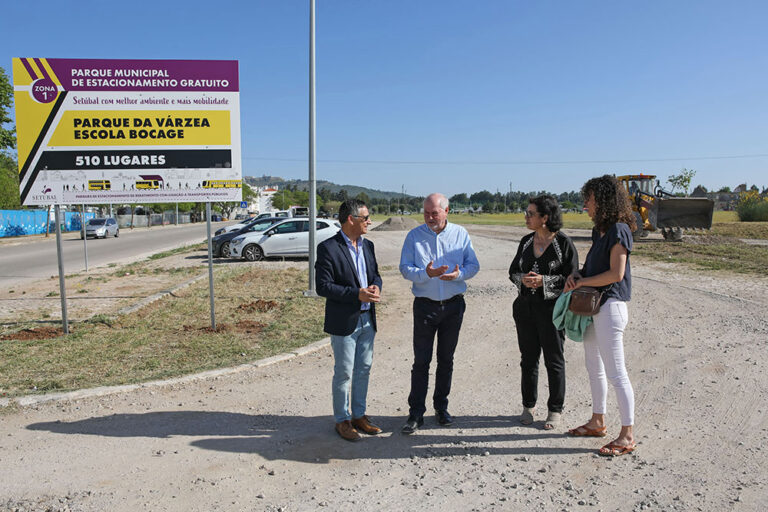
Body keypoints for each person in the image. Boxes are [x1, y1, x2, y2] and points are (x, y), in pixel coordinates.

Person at [563, 175, 637, 456]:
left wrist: (581, 283)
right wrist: (578, 275)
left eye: (589, 199)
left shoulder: (619, 230)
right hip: (595, 308)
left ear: (603, 200)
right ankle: (598, 421)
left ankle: (627, 435)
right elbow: (594, 268)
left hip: (610, 307)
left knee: (617, 373)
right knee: (594, 367)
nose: (586, 204)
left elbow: (616, 274)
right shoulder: (601, 231)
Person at [399, 193, 480, 434]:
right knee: (421, 361)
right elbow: (405, 268)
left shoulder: (460, 234)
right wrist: (426, 274)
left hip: (453, 306)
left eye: (434, 213)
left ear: (447, 211)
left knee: (446, 360)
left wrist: (459, 275)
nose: (430, 217)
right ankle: (415, 413)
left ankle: (441, 408)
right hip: (425, 306)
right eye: (426, 213)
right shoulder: (414, 236)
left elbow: (473, 265)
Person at [315, 199, 383, 442]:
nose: (370, 222)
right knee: (344, 372)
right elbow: (323, 286)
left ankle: (359, 416)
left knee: (363, 369)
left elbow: (375, 274)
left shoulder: (368, 246)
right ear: (351, 219)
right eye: (366, 218)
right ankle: (342, 420)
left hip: (367, 319)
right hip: (344, 321)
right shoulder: (328, 248)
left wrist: (376, 286)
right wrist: (356, 294)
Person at [509, 195, 578, 430]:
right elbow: (512, 271)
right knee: (528, 359)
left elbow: (573, 279)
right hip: (525, 309)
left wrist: (545, 282)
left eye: (531, 213)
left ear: (545, 218)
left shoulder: (564, 244)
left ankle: (555, 410)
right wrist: (525, 280)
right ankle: (528, 406)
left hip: (552, 311)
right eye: (526, 213)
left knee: (554, 360)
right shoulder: (526, 242)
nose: (526, 217)